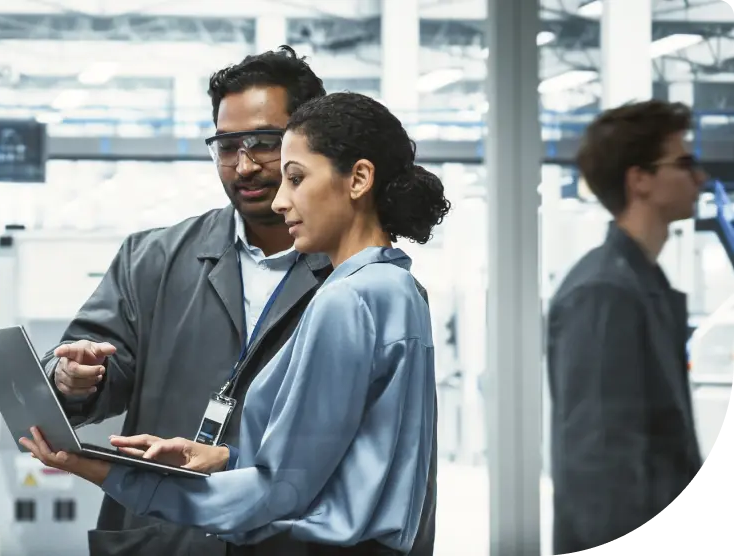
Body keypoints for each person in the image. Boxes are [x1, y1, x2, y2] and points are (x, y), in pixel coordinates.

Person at [23, 91, 449, 556]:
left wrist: (101, 469)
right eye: (227, 147)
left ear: (359, 178)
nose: (282, 200)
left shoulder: (345, 299)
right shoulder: (397, 287)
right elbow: (352, 465)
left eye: (295, 177)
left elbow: (273, 496)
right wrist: (227, 458)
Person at [37, 46, 338, 556]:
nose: (244, 166)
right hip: (165, 537)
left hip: (293, 538)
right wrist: (74, 379)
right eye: (226, 145)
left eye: (265, 143)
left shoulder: (353, 277)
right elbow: (82, 364)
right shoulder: (150, 259)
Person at [546, 100, 707, 556]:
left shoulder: (641, 285)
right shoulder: (604, 293)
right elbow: (602, 473)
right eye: (685, 163)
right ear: (640, 180)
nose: (700, 178)